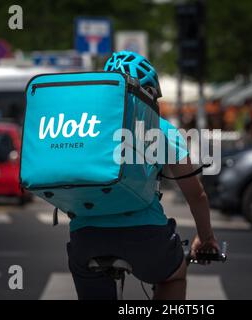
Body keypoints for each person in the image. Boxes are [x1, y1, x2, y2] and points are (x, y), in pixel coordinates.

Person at [67, 51, 219, 300]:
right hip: (146, 238)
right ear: (151, 93)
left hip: (86, 235)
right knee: (174, 276)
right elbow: (196, 194)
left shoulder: (87, 126)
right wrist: (206, 237)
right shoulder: (162, 130)